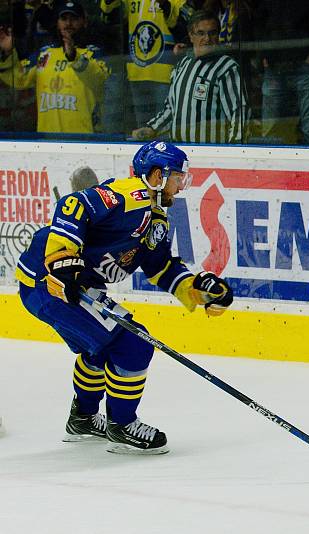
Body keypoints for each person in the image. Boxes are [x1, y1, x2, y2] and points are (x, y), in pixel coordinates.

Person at [14, 141, 234, 454]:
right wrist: (63, 258)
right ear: (157, 176)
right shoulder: (133, 195)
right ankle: (122, 424)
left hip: (58, 286)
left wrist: (198, 288)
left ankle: (83, 418)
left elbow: (160, 267)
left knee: (100, 348)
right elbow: (73, 205)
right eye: (176, 178)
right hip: (48, 281)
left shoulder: (155, 217)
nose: (180, 185)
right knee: (134, 344)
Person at [132, 10, 247, 144]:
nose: (207, 39)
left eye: (212, 33)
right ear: (191, 36)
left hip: (210, 154)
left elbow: (239, 112)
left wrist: (235, 149)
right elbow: (171, 109)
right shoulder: (182, 65)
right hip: (179, 153)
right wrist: (152, 128)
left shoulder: (227, 68)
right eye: (201, 33)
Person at [0, 0, 109, 135]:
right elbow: (19, 78)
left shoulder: (95, 53)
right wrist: (7, 53)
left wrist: (73, 56)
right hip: (47, 141)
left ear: (84, 21)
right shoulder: (44, 53)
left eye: (74, 19)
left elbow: (99, 79)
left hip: (85, 141)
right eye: (63, 18)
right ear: (57, 22)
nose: (68, 24)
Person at [99, 0, 193, 127]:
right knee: (143, 133)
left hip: (166, 74)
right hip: (136, 72)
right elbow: (108, 16)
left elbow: (188, 24)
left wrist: (165, 4)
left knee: (164, 131)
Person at [259, 0, 309, 145]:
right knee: (270, 127)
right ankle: (269, 166)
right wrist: (263, 54)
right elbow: (258, 22)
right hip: (274, 64)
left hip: (306, 64)